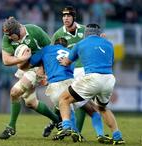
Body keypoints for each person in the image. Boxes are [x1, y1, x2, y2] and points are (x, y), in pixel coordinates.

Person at [29, 37, 112, 143]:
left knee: (67, 108)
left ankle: (71, 130)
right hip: (71, 83)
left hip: (54, 86)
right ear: (66, 47)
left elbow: (32, 61)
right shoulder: (70, 53)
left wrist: (40, 65)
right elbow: (74, 69)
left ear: (54, 44)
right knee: (92, 110)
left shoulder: (47, 49)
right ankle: (99, 134)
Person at [55, 24, 125, 145]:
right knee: (102, 108)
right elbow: (111, 61)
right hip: (109, 79)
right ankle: (117, 136)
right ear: (99, 33)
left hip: (92, 78)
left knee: (64, 99)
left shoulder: (81, 44)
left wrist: (62, 60)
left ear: (86, 33)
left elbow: (67, 61)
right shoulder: (109, 44)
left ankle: (66, 127)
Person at [0, 17, 60, 140]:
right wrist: (21, 59)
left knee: (15, 92)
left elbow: (50, 50)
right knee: (31, 103)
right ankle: (58, 121)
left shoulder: (35, 31)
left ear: (17, 31)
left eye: (11, 35)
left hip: (37, 67)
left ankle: (11, 127)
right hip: (23, 68)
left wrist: (44, 70)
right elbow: (6, 60)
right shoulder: (7, 37)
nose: (9, 38)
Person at [43, 5, 97, 138]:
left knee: (80, 101)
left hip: (83, 71)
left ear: (74, 17)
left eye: (68, 16)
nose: (65, 18)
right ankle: (60, 124)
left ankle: (71, 130)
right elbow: (51, 55)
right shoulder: (58, 34)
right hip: (65, 73)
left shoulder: (85, 31)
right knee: (69, 99)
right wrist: (46, 73)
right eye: (64, 16)